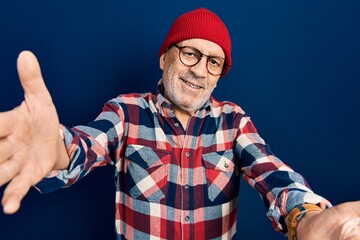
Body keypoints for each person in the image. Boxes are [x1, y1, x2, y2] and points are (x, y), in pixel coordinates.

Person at [0, 7, 359, 240]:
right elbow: (81, 148)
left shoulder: (234, 122)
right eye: (190, 53)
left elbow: (273, 173)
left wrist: (306, 217)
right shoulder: (126, 112)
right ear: (164, 58)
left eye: (214, 62)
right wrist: (55, 150)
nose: (200, 70)